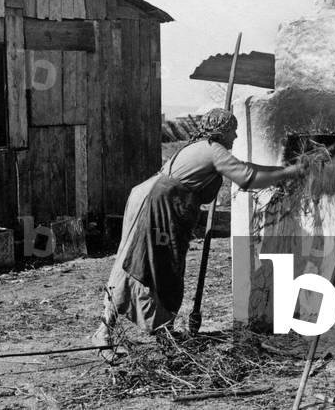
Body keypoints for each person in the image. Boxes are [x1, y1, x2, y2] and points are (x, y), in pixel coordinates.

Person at [92, 107, 304, 347]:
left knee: (140, 261)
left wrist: (283, 171)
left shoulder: (202, 147)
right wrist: (292, 172)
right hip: (161, 205)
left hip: (149, 198)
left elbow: (247, 168)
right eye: (232, 130)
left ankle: (156, 331)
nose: (235, 136)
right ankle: (116, 331)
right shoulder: (213, 150)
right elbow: (249, 178)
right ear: (221, 130)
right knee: (151, 265)